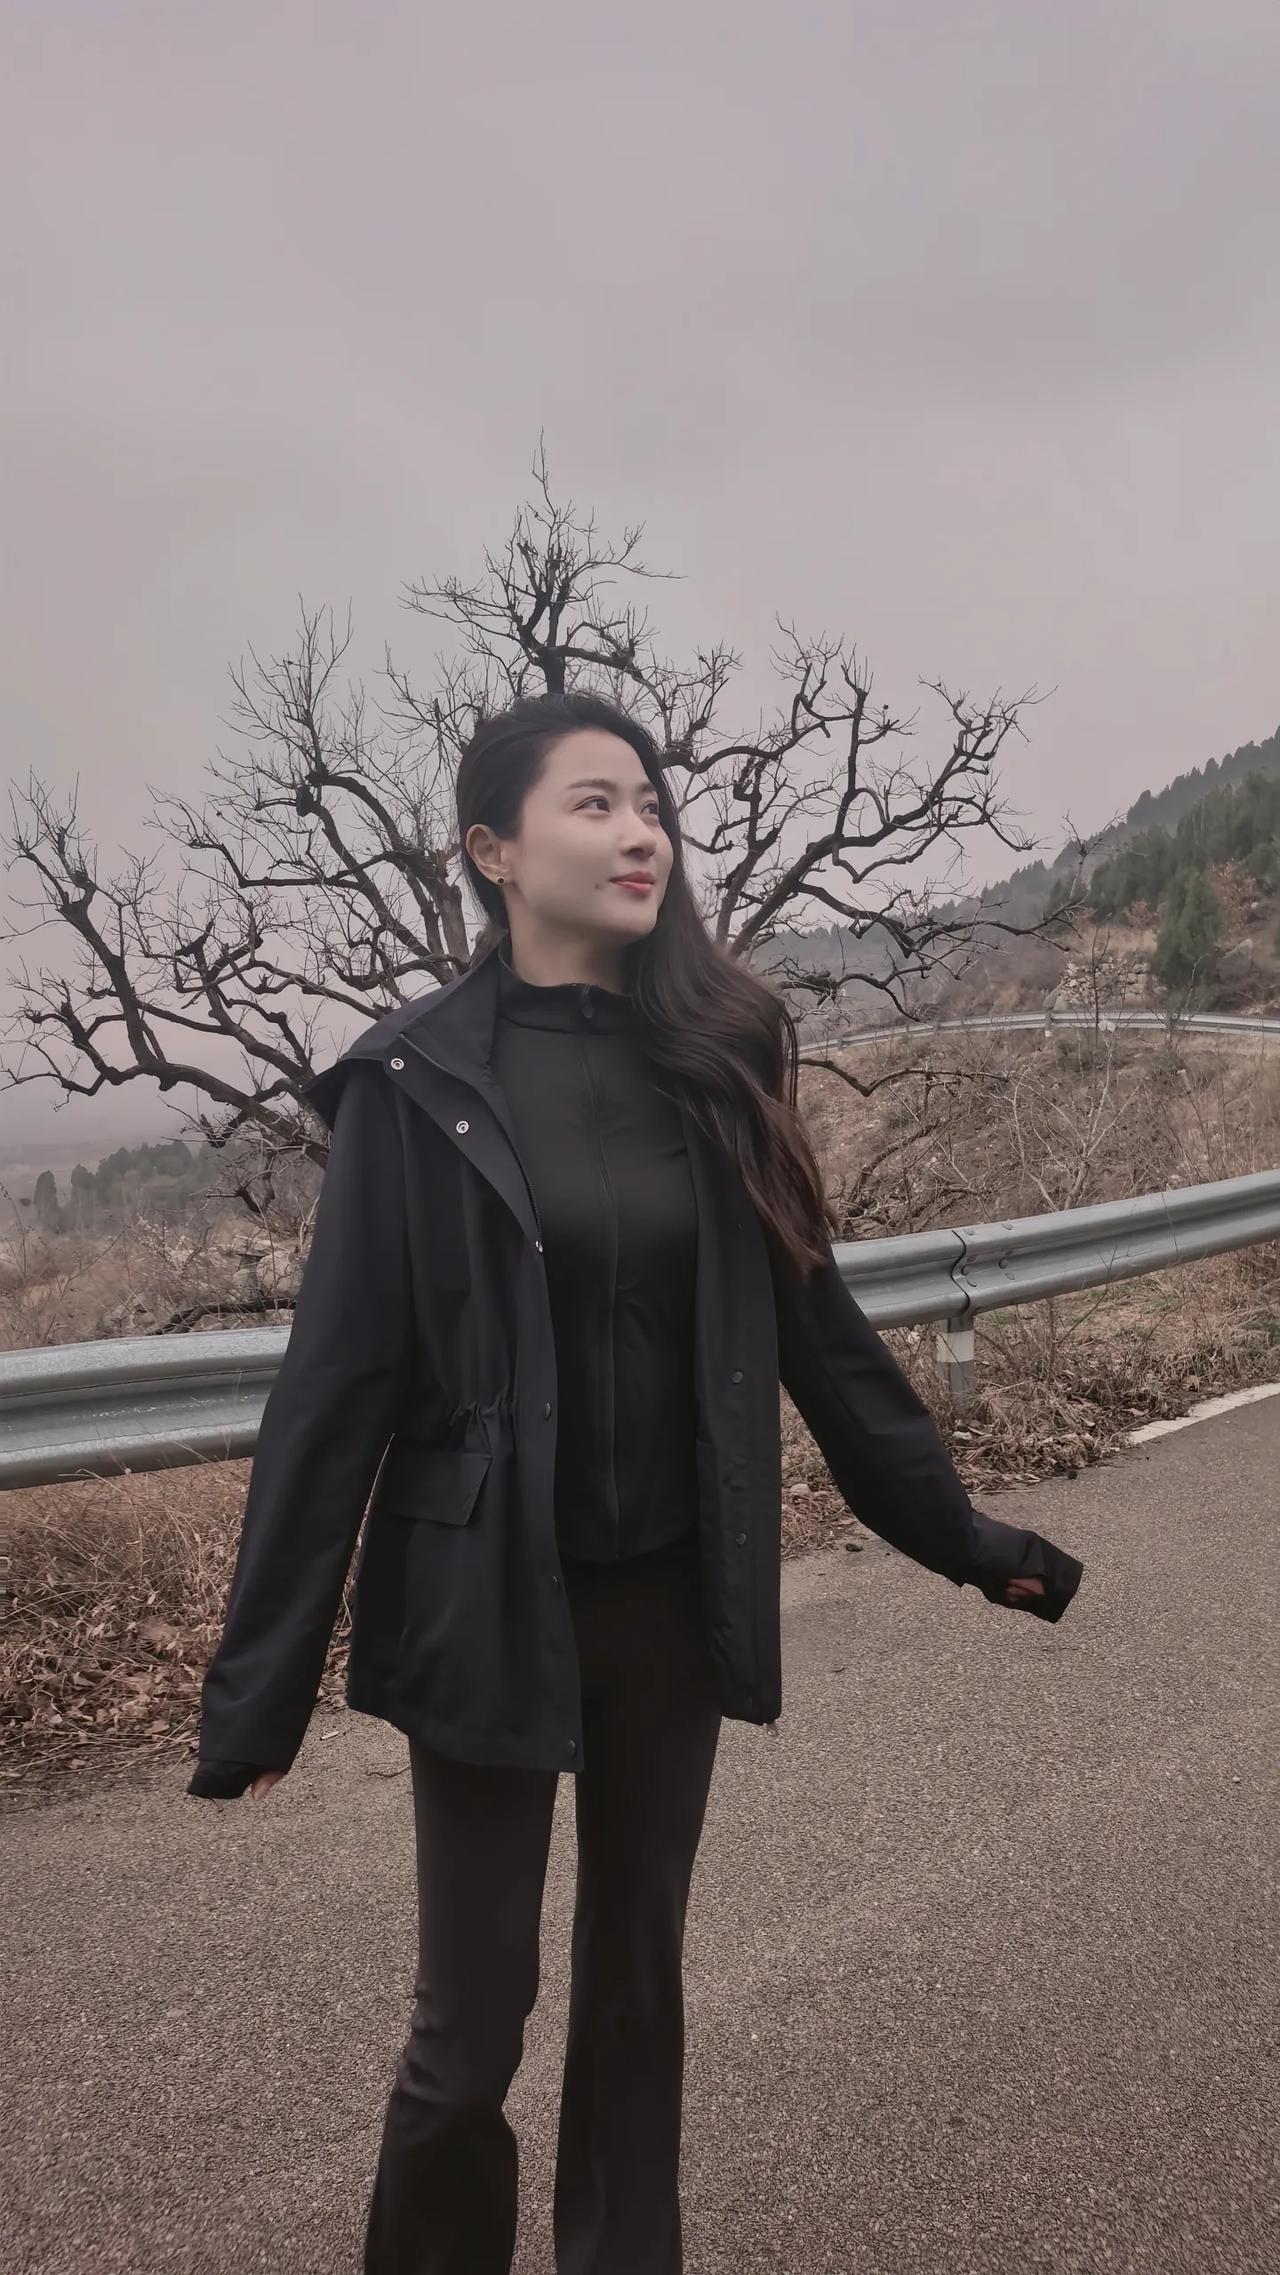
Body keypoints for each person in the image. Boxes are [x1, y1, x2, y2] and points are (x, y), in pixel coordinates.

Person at [186, 689, 1083, 2274]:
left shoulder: (715, 1060)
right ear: (492, 850)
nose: (640, 833)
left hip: (668, 1601)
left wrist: (962, 1536)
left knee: (635, 1995)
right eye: (595, 804)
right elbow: (333, 1396)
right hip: (484, 1603)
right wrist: (258, 1691)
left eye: (652, 805)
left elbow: (819, 1333)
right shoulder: (411, 1086)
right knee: (470, 2033)